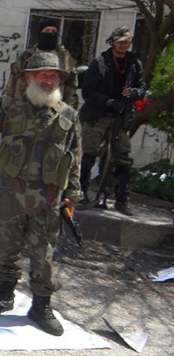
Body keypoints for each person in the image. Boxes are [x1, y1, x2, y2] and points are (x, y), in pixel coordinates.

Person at [0, 45, 82, 336]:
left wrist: (73, 195)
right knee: (7, 248)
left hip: (49, 198)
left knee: (44, 255)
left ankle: (41, 305)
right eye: (42, 75)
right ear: (28, 78)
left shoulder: (69, 116)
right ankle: (4, 294)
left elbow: (75, 157)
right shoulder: (10, 108)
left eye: (53, 76)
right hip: (11, 196)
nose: (47, 81)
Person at [78, 26, 146, 215]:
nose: (124, 45)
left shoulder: (134, 63)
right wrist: (108, 102)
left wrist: (134, 93)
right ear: (112, 42)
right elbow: (88, 92)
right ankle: (83, 193)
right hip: (97, 116)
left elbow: (141, 87)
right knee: (89, 155)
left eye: (127, 42)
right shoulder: (100, 63)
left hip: (120, 117)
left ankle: (122, 198)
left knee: (123, 157)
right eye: (120, 41)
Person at [3, 19, 79, 109]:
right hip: (24, 107)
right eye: (47, 31)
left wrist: (69, 110)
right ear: (40, 33)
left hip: (54, 107)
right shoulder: (27, 56)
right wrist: (6, 104)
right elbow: (12, 81)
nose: (50, 34)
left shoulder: (64, 57)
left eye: (53, 31)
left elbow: (71, 86)